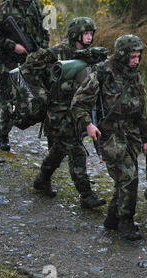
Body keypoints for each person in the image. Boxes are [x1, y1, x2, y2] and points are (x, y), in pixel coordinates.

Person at [71, 35, 147, 240]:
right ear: (123, 55)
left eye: (138, 56)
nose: (136, 60)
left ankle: (112, 219)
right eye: (132, 56)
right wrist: (88, 124)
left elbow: (141, 109)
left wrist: (146, 137)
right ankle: (126, 222)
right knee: (129, 178)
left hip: (131, 133)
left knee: (126, 178)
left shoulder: (134, 74)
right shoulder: (103, 72)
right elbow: (78, 103)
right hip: (110, 134)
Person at [32, 17, 106, 210]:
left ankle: (42, 179)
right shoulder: (58, 51)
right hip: (58, 111)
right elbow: (31, 67)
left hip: (77, 111)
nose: (90, 38)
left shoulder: (90, 54)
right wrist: (41, 94)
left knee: (59, 149)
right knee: (76, 150)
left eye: (91, 34)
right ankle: (86, 195)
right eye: (86, 34)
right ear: (76, 34)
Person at [0, 0, 50, 151]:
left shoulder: (38, 8)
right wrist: (13, 46)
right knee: (10, 102)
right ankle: (2, 134)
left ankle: (53, 139)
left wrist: (42, 51)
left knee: (42, 99)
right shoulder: (5, 8)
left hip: (32, 64)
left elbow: (45, 32)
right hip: (8, 65)